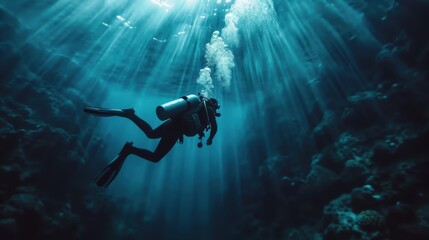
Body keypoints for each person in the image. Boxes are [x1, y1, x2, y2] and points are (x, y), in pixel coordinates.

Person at [84, 94, 220, 188]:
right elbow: (214, 127)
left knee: (151, 133)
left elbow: (188, 120)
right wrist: (210, 139)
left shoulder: (198, 106)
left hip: (172, 123)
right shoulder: (209, 110)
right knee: (155, 157)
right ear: (214, 105)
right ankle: (129, 150)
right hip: (176, 129)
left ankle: (129, 115)